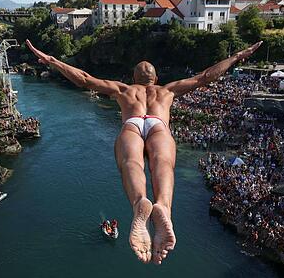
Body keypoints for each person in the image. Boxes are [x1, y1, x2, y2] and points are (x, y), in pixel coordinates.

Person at [26, 39, 262, 264]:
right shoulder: (167, 90)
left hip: (133, 123)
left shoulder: (123, 89)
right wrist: (237, 56)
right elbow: (206, 77)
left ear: (134, 78)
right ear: (156, 78)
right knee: (162, 163)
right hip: (158, 124)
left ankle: (140, 201)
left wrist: (53, 61)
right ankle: (164, 208)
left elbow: (85, 79)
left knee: (131, 163)